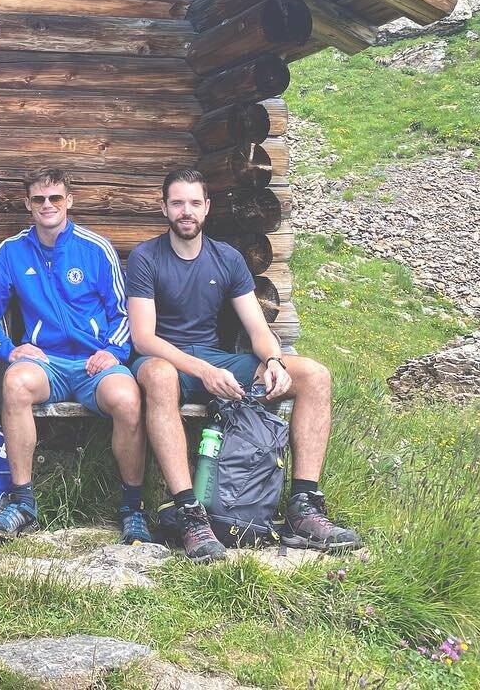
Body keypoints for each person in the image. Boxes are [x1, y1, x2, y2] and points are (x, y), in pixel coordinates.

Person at [128, 167, 361, 562]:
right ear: (164, 208)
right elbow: (144, 338)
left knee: (314, 375)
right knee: (160, 374)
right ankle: (190, 514)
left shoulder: (227, 258)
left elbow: (257, 326)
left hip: (216, 359)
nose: (187, 211)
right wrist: (202, 371)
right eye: (178, 203)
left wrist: (272, 359)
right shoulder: (146, 257)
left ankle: (304, 508)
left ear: (207, 208)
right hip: (164, 359)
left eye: (194, 203)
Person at [0, 167, 151, 543]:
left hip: (93, 364)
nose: (47, 205)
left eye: (55, 198)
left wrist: (114, 350)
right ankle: (23, 504)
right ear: (27, 204)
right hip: (46, 363)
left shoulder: (95, 248)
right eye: (39, 199)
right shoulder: (13, 251)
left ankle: (133, 507)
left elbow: (123, 311)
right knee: (15, 384)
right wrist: (8, 348)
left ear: (69, 201)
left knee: (128, 398)